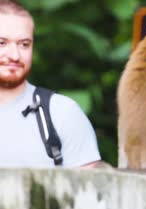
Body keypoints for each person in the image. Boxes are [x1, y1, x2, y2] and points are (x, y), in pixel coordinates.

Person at [0, 0, 101, 168]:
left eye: (24, 44)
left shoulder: (61, 113)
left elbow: (91, 191)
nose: (15, 55)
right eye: (1, 43)